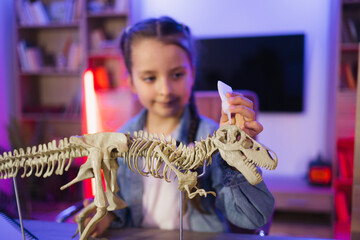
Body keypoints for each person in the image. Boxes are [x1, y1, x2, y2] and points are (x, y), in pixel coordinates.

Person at [84, 16, 275, 237]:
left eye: (177, 75)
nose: (165, 89)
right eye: (149, 78)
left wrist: (237, 157)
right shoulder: (119, 141)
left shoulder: (212, 136)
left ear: (192, 73)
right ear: (131, 82)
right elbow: (120, 208)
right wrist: (108, 214)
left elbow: (252, 218)